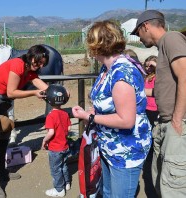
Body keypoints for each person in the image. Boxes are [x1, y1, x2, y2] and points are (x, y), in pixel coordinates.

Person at [72, 20, 151, 198]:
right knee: (107, 192)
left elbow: (126, 120)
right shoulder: (107, 68)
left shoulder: (121, 73)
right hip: (109, 145)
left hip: (125, 152)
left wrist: (89, 117)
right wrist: (93, 112)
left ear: (96, 45)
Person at [0, 45, 49, 198]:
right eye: (38, 61)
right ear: (31, 55)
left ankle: (3, 173)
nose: (39, 65)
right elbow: (11, 92)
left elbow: (46, 88)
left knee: (5, 134)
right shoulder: (18, 65)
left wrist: (60, 93)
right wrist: (34, 92)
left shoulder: (30, 73)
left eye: (42, 64)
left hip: (0, 102)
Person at [131, 10, 186, 197]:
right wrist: (133, 92)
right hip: (165, 123)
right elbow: (163, 90)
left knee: (174, 187)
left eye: (138, 33)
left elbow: (185, 75)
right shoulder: (163, 48)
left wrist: (177, 120)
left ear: (145, 26)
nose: (139, 38)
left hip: (176, 124)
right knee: (160, 179)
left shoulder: (171, 39)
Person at [41, 84, 71, 197]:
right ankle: (67, 183)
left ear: (48, 100)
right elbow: (68, 128)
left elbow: (51, 132)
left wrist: (44, 140)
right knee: (64, 165)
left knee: (55, 169)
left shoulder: (51, 116)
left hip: (55, 148)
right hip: (64, 146)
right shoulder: (65, 113)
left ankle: (59, 190)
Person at [143, 55, 159, 198]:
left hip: (156, 112)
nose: (148, 69)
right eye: (146, 66)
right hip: (146, 111)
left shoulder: (159, 78)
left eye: (151, 66)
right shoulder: (145, 77)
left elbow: (158, 92)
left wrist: (157, 67)